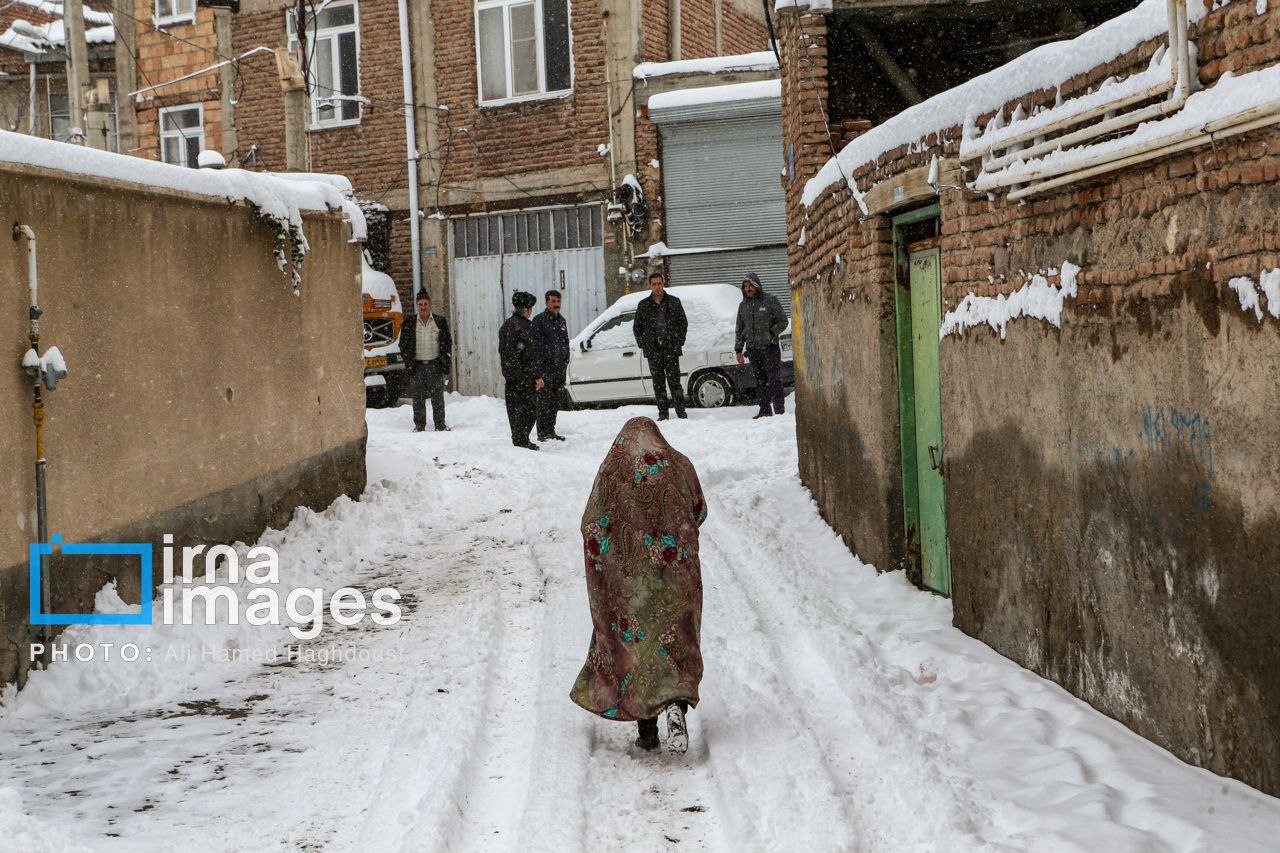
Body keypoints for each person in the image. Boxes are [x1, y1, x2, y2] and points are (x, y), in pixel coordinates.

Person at [569, 416, 707, 754]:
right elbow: (699, 510)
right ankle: (675, 706)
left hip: (631, 583)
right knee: (675, 644)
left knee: (637, 652)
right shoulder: (677, 463)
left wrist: (612, 560)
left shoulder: (611, 472)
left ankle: (647, 733)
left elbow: (592, 523)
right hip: (675, 576)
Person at [632, 271, 688, 421]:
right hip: (653, 350)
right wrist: (644, 344)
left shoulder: (674, 302)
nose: (657, 287)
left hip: (671, 349)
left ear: (663, 284)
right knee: (658, 384)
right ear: (650, 285)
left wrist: (678, 341)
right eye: (654, 284)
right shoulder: (644, 305)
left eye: (659, 283)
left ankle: (681, 413)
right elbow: (637, 328)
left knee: (675, 383)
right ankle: (663, 414)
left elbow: (683, 323)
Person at [734, 272, 788, 419]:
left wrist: (771, 334)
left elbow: (783, 321)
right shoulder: (743, 306)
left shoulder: (770, 301)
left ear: (757, 285)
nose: (747, 289)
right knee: (760, 381)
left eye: (750, 285)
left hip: (770, 348)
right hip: (753, 349)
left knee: (774, 380)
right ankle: (764, 410)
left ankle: (779, 411)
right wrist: (739, 350)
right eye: (745, 286)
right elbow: (739, 329)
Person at [399, 290, 453, 432]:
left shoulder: (439, 321)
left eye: (425, 304)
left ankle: (440, 424)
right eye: (420, 304)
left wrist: (444, 361)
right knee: (418, 398)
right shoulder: (409, 322)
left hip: (435, 364)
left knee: (438, 397)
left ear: (430, 305)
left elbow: (447, 342)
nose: (423, 307)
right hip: (417, 366)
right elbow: (403, 345)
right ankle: (419, 425)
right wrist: (409, 363)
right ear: (417, 305)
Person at [498, 290, 545, 450]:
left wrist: (510, 372)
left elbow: (504, 352)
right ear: (528, 309)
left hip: (512, 378)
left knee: (515, 410)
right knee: (530, 409)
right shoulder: (524, 328)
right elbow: (530, 355)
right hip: (524, 377)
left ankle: (518, 438)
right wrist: (536, 376)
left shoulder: (506, 325)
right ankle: (521, 439)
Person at [531, 288, 570, 442]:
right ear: (547, 302)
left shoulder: (561, 321)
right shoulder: (539, 320)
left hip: (559, 368)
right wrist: (547, 360)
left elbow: (565, 342)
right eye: (553, 301)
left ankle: (550, 430)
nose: (556, 304)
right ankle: (542, 432)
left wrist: (565, 359)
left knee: (555, 400)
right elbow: (537, 345)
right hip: (545, 368)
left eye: (558, 301)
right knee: (544, 401)